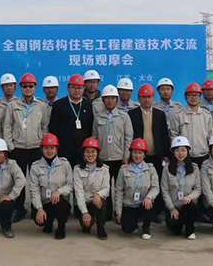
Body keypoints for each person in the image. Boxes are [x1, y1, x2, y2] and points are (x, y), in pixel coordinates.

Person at [3, 73, 49, 222]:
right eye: (25, 86)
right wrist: (11, 147)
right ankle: (19, 209)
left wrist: (43, 145)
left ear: (35, 87)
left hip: (36, 148)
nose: (28, 89)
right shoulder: (13, 105)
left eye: (30, 86)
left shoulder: (41, 105)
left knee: (38, 180)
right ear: (20, 88)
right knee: (19, 180)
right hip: (18, 148)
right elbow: (7, 127)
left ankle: (37, 208)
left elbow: (45, 127)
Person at [128, 84, 170, 220]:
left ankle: (156, 212)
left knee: (156, 184)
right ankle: (139, 212)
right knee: (139, 184)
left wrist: (166, 155)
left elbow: (164, 135)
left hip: (156, 155)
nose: (147, 100)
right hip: (139, 156)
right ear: (139, 98)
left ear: (153, 97)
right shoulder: (132, 114)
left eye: (149, 97)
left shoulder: (160, 114)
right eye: (144, 97)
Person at [91, 84, 133, 219]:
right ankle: (107, 213)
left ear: (117, 99)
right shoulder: (98, 117)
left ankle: (121, 212)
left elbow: (129, 137)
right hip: (103, 158)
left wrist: (126, 156)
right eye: (107, 98)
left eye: (113, 98)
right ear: (103, 100)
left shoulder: (124, 116)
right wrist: (96, 157)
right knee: (105, 187)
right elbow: (94, 137)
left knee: (121, 187)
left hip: (119, 158)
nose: (110, 101)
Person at [29, 134, 74, 240]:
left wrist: (59, 191)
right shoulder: (35, 166)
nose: (49, 151)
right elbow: (34, 190)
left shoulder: (65, 164)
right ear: (42, 149)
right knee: (39, 218)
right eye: (46, 148)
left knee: (61, 205)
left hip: (59, 201)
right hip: (44, 202)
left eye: (52, 148)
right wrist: (39, 208)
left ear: (57, 149)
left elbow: (70, 184)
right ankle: (48, 222)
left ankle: (61, 228)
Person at [114, 138, 160, 240]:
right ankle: (134, 223)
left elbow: (155, 187)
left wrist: (149, 197)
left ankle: (146, 227)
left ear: (144, 154)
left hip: (144, 203)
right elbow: (119, 191)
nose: (137, 155)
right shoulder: (123, 170)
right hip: (129, 204)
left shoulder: (150, 169)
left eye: (140, 153)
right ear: (131, 153)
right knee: (127, 230)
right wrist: (118, 212)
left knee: (149, 204)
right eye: (135, 152)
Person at [49, 74, 95, 167]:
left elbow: (90, 127)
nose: (76, 90)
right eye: (74, 87)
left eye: (79, 88)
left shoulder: (88, 105)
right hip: (64, 149)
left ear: (83, 89)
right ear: (68, 88)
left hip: (83, 150)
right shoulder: (59, 105)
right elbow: (53, 128)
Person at [161, 136, 201, 239]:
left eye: (183, 150)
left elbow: (198, 188)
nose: (180, 153)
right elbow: (165, 191)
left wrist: (190, 197)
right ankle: (179, 223)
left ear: (187, 151)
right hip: (174, 205)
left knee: (190, 207)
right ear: (173, 152)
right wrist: (172, 208)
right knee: (174, 229)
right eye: (177, 150)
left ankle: (190, 230)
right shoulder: (167, 169)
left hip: (188, 204)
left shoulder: (194, 168)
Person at [73, 138, 110, 240]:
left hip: (96, 201)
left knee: (102, 203)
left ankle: (100, 227)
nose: (90, 155)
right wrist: (84, 212)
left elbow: (106, 188)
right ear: (83, 153)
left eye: (93, 151)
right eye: (87, 152)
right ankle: (87, 221)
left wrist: (98, 195)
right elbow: (79, 192)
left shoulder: (104, 169)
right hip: (83, 202)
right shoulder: (77, 169)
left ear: (97, 153)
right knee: (86, 226)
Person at [170, 83, 213, 168]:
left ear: (200, 97)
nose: (193, 98)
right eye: (190, 95)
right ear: (185, 97)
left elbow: (210, 136)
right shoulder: (178, 115)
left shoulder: (207, 115)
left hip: (203, 156)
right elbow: (174, 135)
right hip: (185, 157)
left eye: (196, 95)